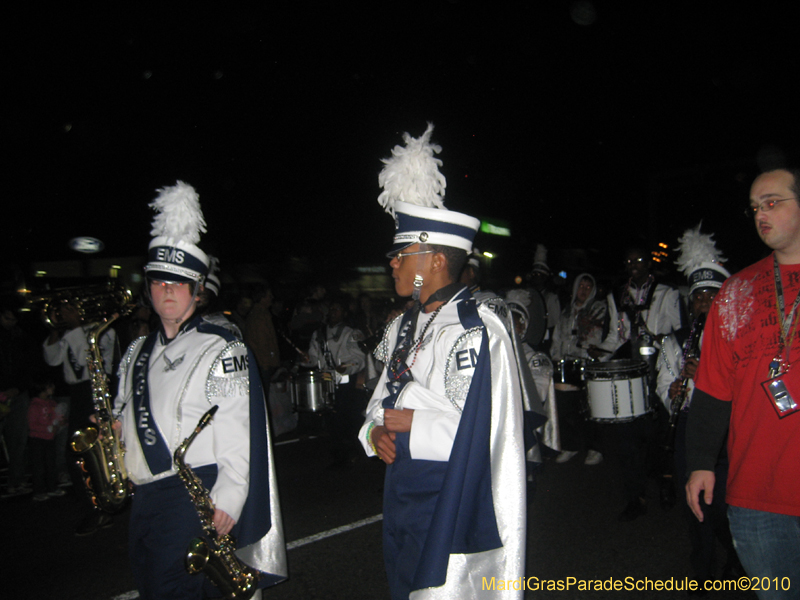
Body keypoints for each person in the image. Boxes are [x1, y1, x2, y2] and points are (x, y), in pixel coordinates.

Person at [359, 124, 526, 599]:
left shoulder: (479, 327)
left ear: (435, 261)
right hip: (401, 487)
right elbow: (379, 400)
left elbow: (489, 432)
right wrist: (374, 431)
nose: (392, 263)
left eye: (402, 254)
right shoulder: (401, 323)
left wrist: (414, 422)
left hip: (448, 489)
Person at [114, 181, 286, 599]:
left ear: (196, 289)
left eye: (178, 282)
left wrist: (228, 496)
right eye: (159, 282)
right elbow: (122, 412)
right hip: (145, 497)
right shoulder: (136, 350)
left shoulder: (221, 346)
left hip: (190, 494)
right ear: (149, 288)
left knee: (167, 588)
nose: (167, 291)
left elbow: (237, 426)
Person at [686, 168, 800, 598]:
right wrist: (699, 460)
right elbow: (714, 388)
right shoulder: (736, 293)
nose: (760, 214)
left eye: (772, 202)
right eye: (755, 207)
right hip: (757, 497)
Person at [657, 224, 742, 587]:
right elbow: (662, 380)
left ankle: (736, 557)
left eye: (710, 294)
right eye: (698, 297)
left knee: (723, 505)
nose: (703, 302)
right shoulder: (676, 339)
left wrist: (706, 371)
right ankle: (702, 568)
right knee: (695, 508)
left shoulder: (738, 337)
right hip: (688, 429)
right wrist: (672, 390)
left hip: (727, 432)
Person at [592, 247, 686, 519]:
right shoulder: (617, 296)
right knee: (628, 437)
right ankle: (636, 496)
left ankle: (666, 481)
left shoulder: (666, 293)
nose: (633, 264)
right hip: (631, 375)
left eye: (639, 260)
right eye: (629, 260)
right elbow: (616, 336)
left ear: (649, 263)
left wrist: (657, 341)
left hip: (660, 370)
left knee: (659, 434)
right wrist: (600, 352)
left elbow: (680, 332)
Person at [550, 273, 607, 465]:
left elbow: (597, 338)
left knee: (590, 409)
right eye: (580, 286)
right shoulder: (567, 311)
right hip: (567, 366)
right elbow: (558, 336)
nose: (583, 290)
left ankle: (596, 448)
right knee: (564, 406)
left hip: (588, 364)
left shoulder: (598, 309)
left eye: (587, 287)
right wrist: (556, 356)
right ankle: (570, 445)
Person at [27, 379, 67, 501]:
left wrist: (61, 423)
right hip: (37, 440)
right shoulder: (35, 405)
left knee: (51, 463)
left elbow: (57, 418)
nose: (53, 388)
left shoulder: (52, 404)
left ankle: (52, 487)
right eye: (50, 386)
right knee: (39, 466)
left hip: (50, 439)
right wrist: (48, 428)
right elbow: (32, 425)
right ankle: (38, 491)